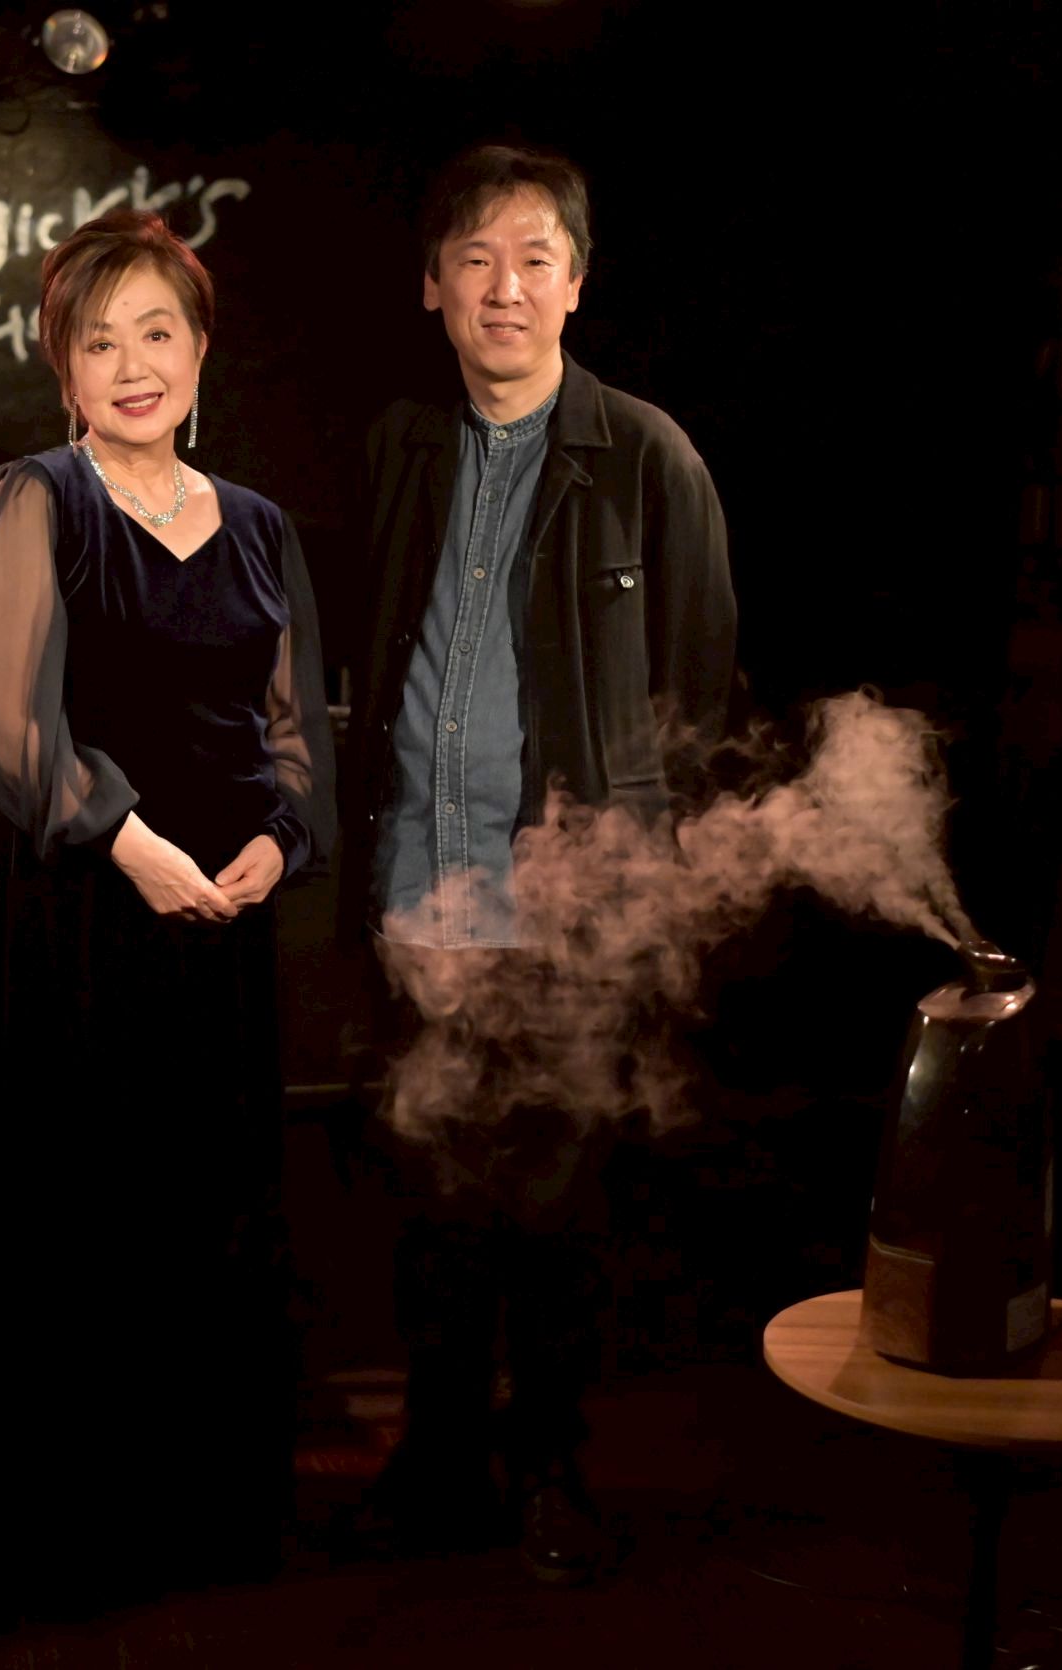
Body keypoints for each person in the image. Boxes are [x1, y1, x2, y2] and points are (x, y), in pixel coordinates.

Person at [340, 145, 739, 1583]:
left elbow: (694, 701)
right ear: (432, 286)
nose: (502, 288)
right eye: (475, 260)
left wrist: (643, 888)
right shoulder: (399, 444)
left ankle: (551, 1462)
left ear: (575, 283)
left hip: (571, 906)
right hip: (414, 888)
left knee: (558, 1210)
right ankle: (439, 1458)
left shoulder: (645, 456)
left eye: (533, 260)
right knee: (432, 1200)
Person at [0, 209, 335, 1605]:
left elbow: (295, 732)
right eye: (98, 341)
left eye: (155, 333)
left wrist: (279, 841)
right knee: (75, 1218)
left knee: (206, 1213)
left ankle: (201, 1518)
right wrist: (127, 839)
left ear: (201, 349)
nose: (131, 366)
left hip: (218, 927)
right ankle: (69, 1535)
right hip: (76, 916)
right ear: (62, 367)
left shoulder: (260, 526)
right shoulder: (34, 498)